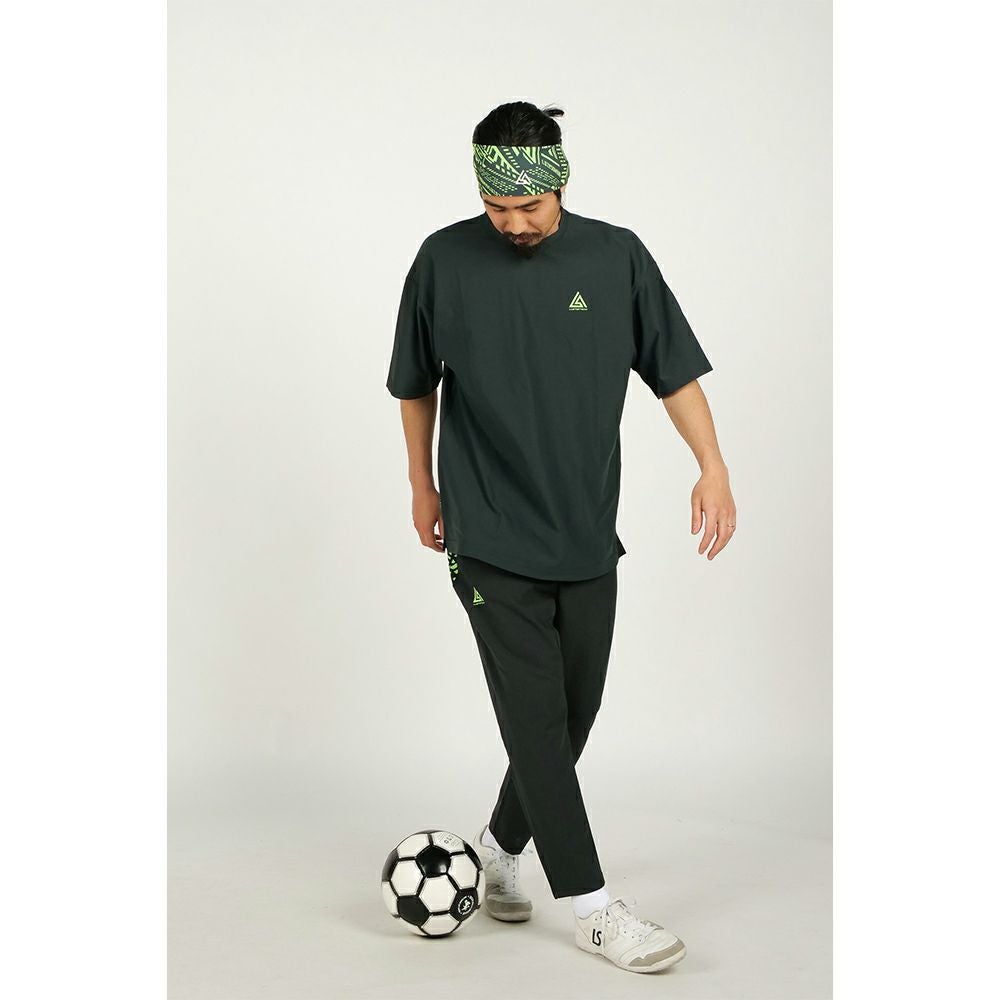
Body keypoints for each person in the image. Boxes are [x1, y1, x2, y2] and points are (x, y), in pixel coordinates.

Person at [385, 101, 737, 974]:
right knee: (538, 722)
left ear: (561, 184)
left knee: (573, 714)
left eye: (529, 208)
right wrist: (423, 483)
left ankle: (502, 848)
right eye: (496, 208)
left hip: (583, 530)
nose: (513, 224)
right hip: (486, 529)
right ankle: (591, 906)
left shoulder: (616, 256)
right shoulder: (442, 260)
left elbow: (673, 373)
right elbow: (414, 384)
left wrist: (712, 465)